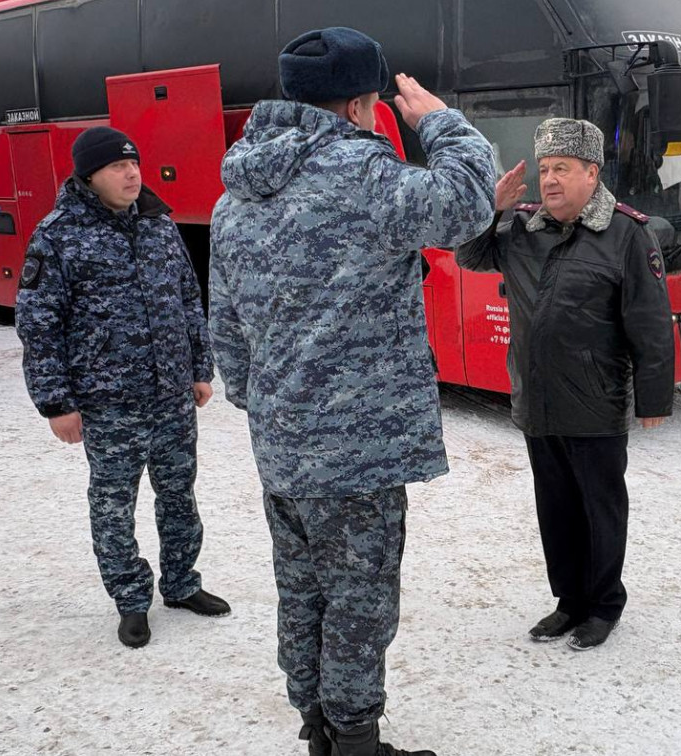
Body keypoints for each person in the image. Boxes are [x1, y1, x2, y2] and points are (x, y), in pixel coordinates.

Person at [207, 28, 495, 756]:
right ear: (364, 103)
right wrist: (436, 118)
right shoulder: (361, 175)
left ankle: (317, 729)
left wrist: (271, 404)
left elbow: (228, 330)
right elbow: (467, 198)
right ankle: (355, 742)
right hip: (357, 452)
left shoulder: (234, 194)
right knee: (360, 608)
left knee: (302, 594)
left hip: (283, 447)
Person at [457, 117, 674, 652]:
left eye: (563, 168)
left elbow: (649, 321)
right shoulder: (523, 229)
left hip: (596, 402)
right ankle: (568, 601)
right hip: (538, 400)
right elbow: (468, 256)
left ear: (591, 173)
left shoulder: (625, 234)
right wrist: (494, 208)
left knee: (599, 508)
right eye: (545, 168)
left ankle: (603, 605)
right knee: (554, 508)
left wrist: (653, 397)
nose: (550, 179)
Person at [15, 126, 228, 650]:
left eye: (134, 164)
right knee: (113, 504)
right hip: (108, 404)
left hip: (171, 396)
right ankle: (132, 600)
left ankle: (181, 584)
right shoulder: (59, 234)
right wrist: (56, 402)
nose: (132, 174)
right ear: (89, 176)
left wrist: (200, 369)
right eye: (117, 167)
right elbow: (39, 323)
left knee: (179, 495)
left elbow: (187, 300)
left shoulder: (158, 224)